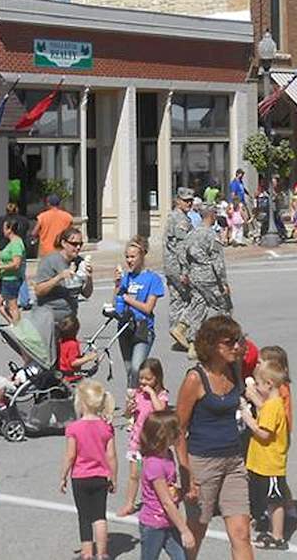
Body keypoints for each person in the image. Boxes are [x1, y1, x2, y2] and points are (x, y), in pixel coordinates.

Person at [175, 316, 255, 560]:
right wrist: (187, 474)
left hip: (234, 461)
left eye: (237, 341)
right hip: (203, 464)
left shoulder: (234, 369)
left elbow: (254, 354)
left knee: (241, 533)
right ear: (211, 345)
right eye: (229, 342)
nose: (236, 346)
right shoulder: (195, 379)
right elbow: (178, 430)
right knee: (196, 531)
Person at [59, 379, 118, 560]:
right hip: (100, 477)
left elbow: (70, 455)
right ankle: (102, 554)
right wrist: (113, 477)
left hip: (80, 477)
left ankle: (87, 554)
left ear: (81, 403)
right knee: (100, 516)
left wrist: (63, 476)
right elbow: (111, 456)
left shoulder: (74, 428)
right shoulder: (106, 427)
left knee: (84, 516)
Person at [241, 361, 292, 550]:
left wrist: (249, 421)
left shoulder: (272, 406)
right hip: (262, 462)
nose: (256, 386)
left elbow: (265, 433)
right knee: (269, 498)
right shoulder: (272, 404)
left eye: (258, 383)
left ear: (269, 384)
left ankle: (277, 535)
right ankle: (271, 528)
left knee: (274, 500)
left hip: (270, 463)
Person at [132, 410, 196, 560]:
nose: (180, 433)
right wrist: (184, 530)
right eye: (176, 430)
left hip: (169, 521)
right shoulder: (154, 464)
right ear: (164, 435)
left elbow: (168, 489)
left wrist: (179, 492)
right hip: (154, 524)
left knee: (181, 557)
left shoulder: (167, 455)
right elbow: (166, 502)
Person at [118, 358, 170, 516]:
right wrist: (129, 408)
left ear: (157, 378)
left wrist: (152, 394)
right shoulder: (137, 394)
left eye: (148, 378)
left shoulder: (161, 395)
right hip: (137, 442)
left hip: (154, 444)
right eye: (141, 378)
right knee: (134, 475)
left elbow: (161, 410)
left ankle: (162, 502)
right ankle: (129, 503)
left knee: (155, 475)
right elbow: (128, 415)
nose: (143, 382)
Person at [113, 238, 164, 398]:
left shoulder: (152, 279)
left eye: (133, 257)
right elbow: (116, 304)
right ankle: (137, 405)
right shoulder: (125, 277)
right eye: (127, 257)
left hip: (143, 328)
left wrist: (130, 300)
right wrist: (117, 286)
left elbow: (148, 308)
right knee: (129, 370)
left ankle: (145, 400)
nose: (129, 260)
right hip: (125, 327)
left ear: (142, 256)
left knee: (137, 368)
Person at [183, 205, 231, 352]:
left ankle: (193, 344)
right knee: (224, 307)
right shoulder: (211, 235)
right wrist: (223, 283)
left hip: (194, 276)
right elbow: (218, 262)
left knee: (199, 306)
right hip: (209, 277)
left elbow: (183, 255)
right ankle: (224, 339)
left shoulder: (191, 233)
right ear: (211, 216)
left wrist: (185, 272)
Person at [32, 227, 93, 324]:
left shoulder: (80, 262)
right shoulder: (50, 261)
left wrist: (89, 277)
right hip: (48, 318)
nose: (78, 247)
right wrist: (59, 277)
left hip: (69, 320)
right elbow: (39, 291)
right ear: (64, 243)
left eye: (80, 244)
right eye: (74, 244)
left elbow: (87, 294)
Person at [164, 187, 195, 351]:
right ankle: (181, 328)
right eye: (185, 200)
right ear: (178, 201)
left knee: (177, 299)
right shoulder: (181, 220)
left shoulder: (173, 217)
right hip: (177, 265)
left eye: (191, 200)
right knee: (196, 297)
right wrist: (185, 271)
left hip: (170, 265)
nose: (189, 203)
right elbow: (182, 247)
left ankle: (177, 334)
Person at [0, 216, 25, 324]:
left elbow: (16, 264)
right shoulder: (11, 243)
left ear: (9, 229)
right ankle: (13, 323)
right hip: (5, 278)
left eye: (4, 228)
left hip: (11, 279)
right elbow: (5, 256)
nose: (2, 230)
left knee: (12, 306)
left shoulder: (16, 244)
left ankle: (19, 330)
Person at [32, 194, 74, 258]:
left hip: (46, 251)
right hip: (62, 250)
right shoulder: (67, 217)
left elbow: (34, 233)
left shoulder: (42, 217)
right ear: (59, 204)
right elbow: (72, 233)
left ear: (48, 204)